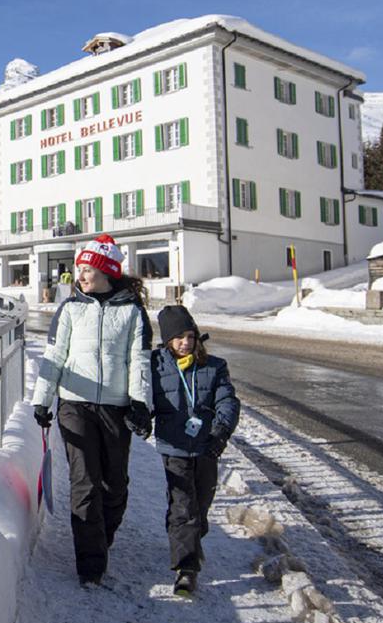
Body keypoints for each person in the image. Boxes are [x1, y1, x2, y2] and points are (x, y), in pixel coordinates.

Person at [31, 234, 153, 588]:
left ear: (107, 272)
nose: (79, 276)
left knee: (115, 486)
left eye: (87, 270)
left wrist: (140, 402)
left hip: (115, 408)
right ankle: (91, 567)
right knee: (84, 483)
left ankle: (100, 539)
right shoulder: (70, 309)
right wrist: (42, 399)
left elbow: (139, 361)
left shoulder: (132, 312)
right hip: (74, 404)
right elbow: (53, 357)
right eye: (79, 269)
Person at [149, 304, 240, 597]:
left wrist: (220, 432)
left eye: (190, 336)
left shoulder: (214, 366)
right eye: (178, 338)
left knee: (200, 507)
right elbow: (144, 398)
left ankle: (185, 538)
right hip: (173, 446)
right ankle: (186, 571)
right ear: (167, 341)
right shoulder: (155, 366)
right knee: (183, 506)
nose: (185, 342)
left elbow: (227, 401)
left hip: (205, 447)